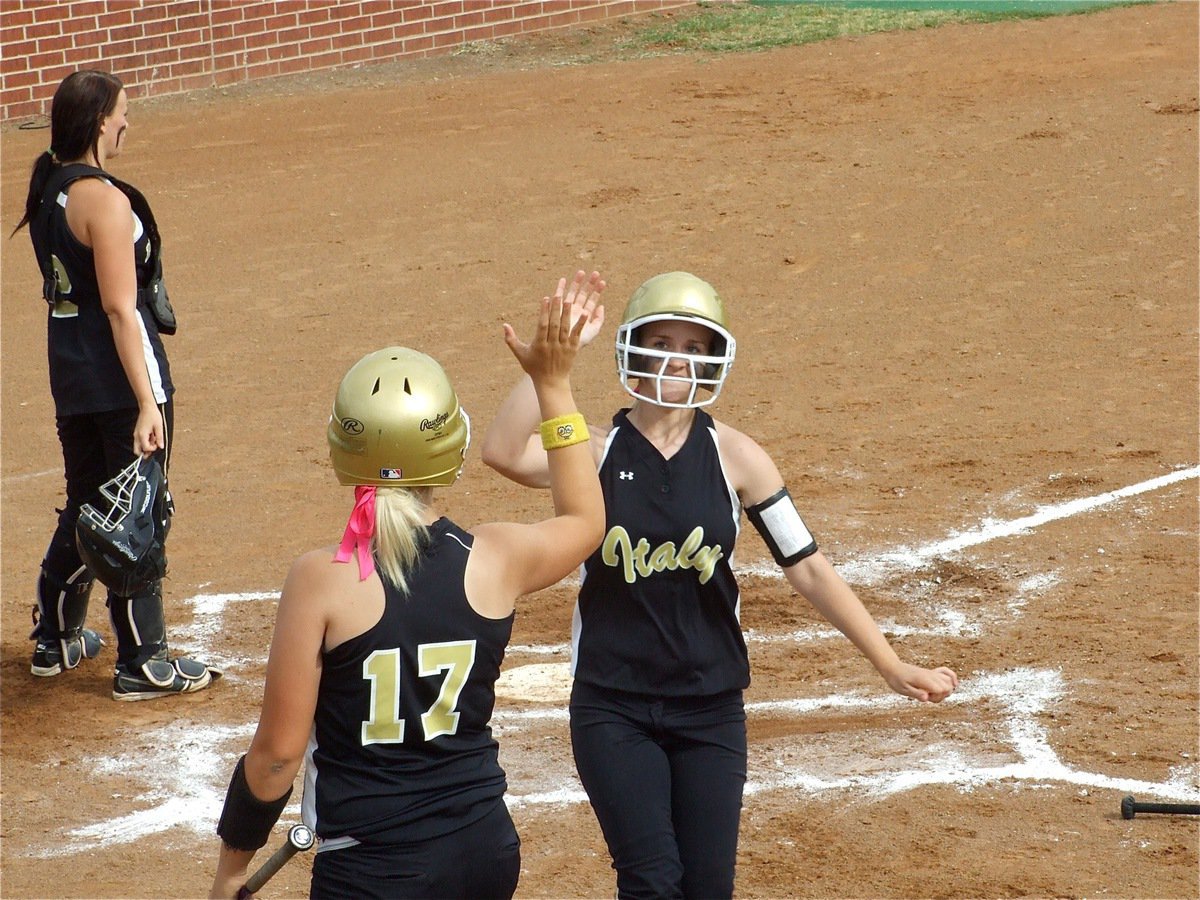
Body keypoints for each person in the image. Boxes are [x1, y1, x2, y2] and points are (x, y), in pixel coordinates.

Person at [481, 270, 961, 899]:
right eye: (661, 340)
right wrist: (550, 367)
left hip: (710, 707)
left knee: (708, 887)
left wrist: (892, 665)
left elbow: (808, 567)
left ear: (713, 361)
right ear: (631, 346)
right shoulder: (592, 451)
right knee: (651, 882)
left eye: (692, 348)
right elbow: (503, 450)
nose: (674, 360)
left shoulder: (740, 458)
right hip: (612, 705)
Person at [208, 282, 605, 900]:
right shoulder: (495, 557)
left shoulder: (321, 579)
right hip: (484, 852)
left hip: (374, 871)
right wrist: (553, 383)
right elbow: (585, 519)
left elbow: (278, 758)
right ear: (449, 446)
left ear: (344, 447)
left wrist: (232, 868)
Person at [12, 69, 218, 700]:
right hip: (118, 381)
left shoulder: (50, 188)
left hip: (71, 378)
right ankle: (144, 662)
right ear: (100, 121)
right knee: (137, 511)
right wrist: (148, 402)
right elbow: (123, 310)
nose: (128, 122)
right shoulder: (104, 200)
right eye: (123, 113)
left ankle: (55, 637)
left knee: (84, 502)